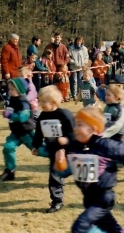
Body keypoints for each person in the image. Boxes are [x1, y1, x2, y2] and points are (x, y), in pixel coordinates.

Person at [54, 106, 124, 233]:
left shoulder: (105, 145)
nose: (75, 128)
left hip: (104, 197)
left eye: (79, 125)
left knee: (80, 226)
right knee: (109, 227)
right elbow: (63, 172)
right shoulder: (74, 147)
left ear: (93, 128)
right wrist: (60, 162)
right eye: (75, 124)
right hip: (88, 198)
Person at [31, 85, 75, 213]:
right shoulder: (42, 116)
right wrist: (36, 145)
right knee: (55, 175)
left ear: (54, 102)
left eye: (44, 101)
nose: (41, 104)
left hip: (70, 150)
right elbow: (39, 132)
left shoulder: (64, 114)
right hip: (53, 150)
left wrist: (65, 141)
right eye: (40, 101)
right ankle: (57, 201)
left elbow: (74, 132)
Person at [0, 77, 35, 181]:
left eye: (12, 89)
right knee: (8, 148)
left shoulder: (23, 102)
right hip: (16, 133)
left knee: (39, 150)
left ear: (20, 90)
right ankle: (10, 171)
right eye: (9, 89)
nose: (9, 91)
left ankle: (56, 157)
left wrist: (9, 115)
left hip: (27, 132)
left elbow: (22, 117)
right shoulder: (12, 100)